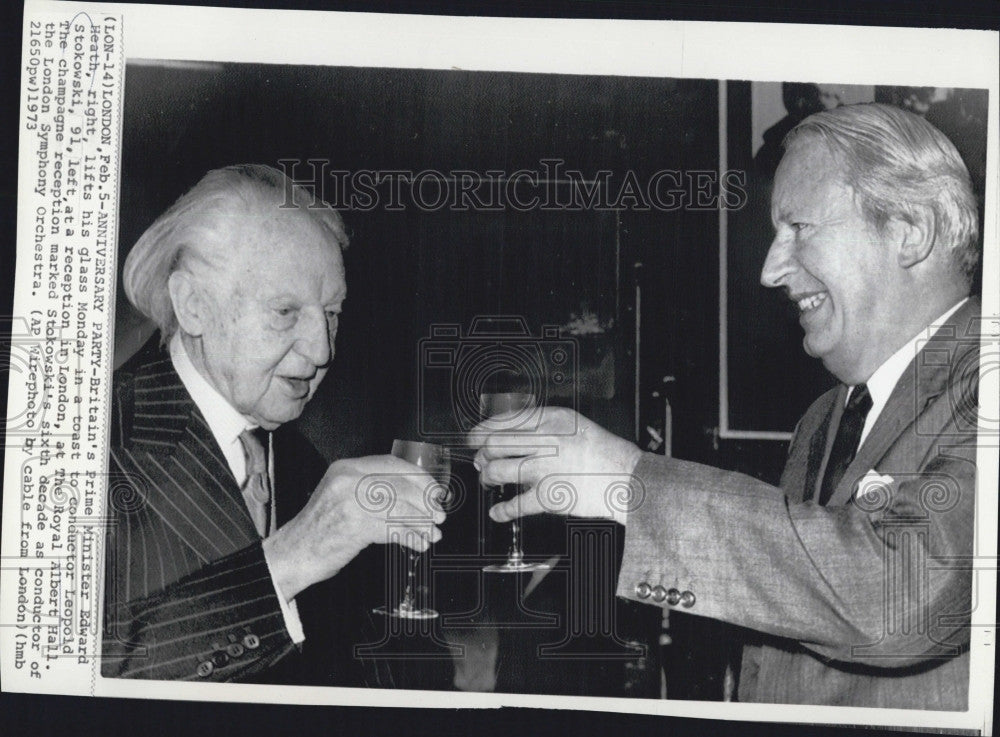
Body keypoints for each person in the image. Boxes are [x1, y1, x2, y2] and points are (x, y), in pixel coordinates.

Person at [469, 104, 981, 709]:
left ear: (909, 230)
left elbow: (899, 595)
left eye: (800, 228)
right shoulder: (825, 416)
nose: (770, 269)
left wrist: (628, 484)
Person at [102, 164, 445, 683]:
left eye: (332, 314)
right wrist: (290, 559)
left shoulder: (301, 463)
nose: (321, 350)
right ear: (193, 305)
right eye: (286, 311)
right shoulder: (87, 441)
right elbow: (62, 678)